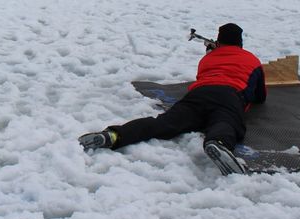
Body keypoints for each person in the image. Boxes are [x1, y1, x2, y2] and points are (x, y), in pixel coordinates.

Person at [79, 23, 267, 175]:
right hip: (229, 96)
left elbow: (208, 74)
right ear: (240, 42)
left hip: (198, 94)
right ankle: (217, 143)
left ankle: (114, 135)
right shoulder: (252, 60)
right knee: (227, 123)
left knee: (163, 123)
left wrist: (212, 53)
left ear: (218, 42)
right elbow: (260, 96)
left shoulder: (207, 60)